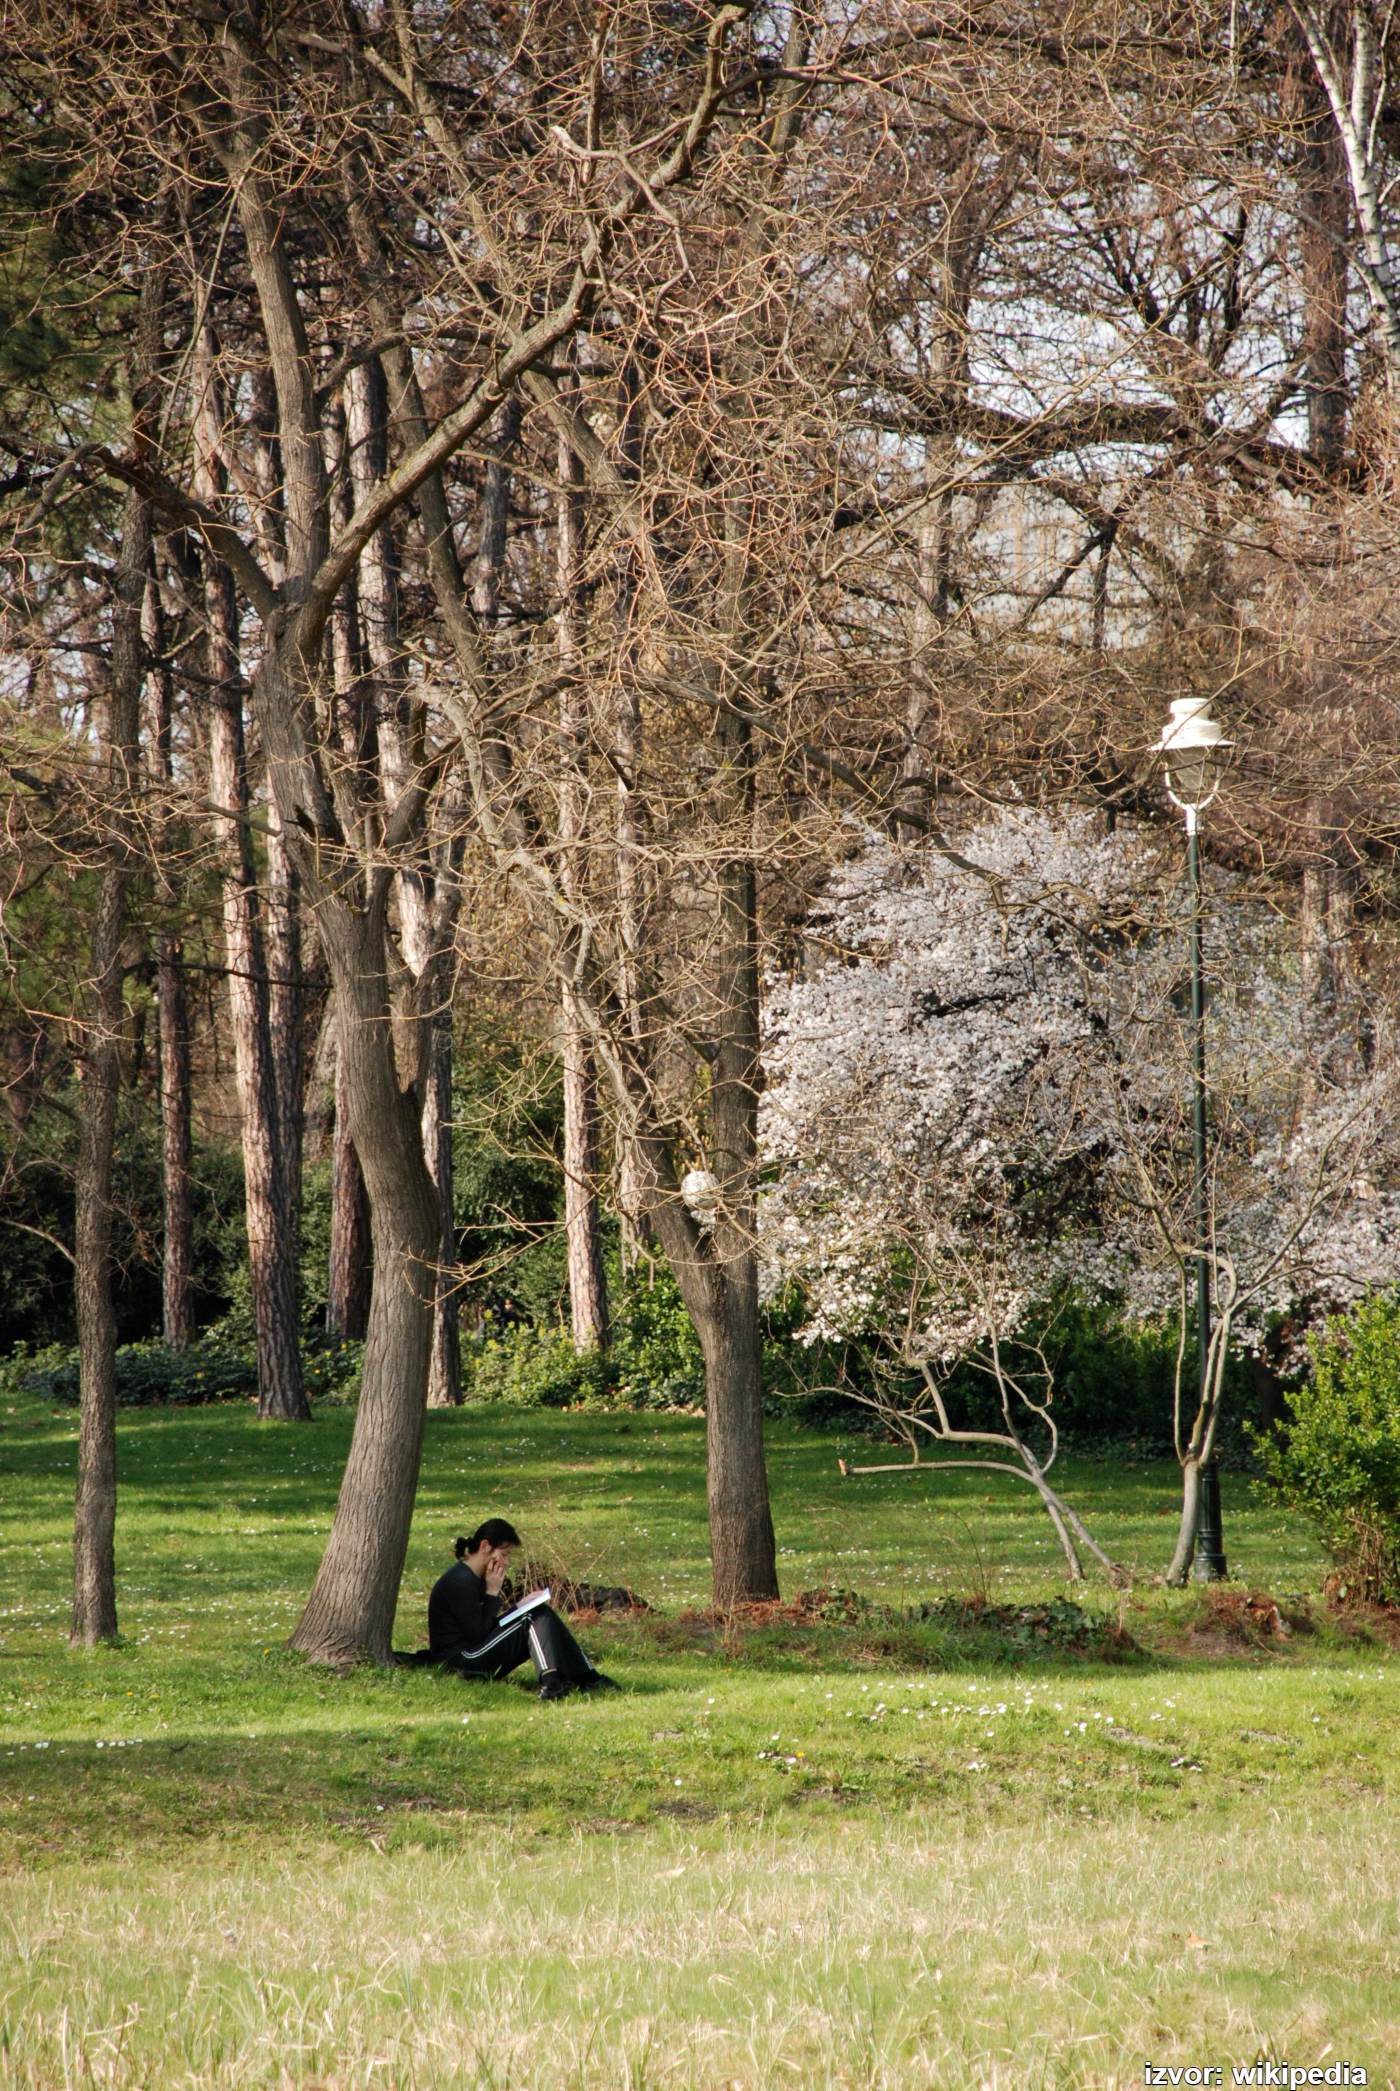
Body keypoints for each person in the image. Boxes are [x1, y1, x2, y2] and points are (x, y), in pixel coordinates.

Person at [427, 1518, 620, 1701]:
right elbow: (478, 1634)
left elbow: (487, 1628)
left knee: (540, 1611)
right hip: (460, 1661)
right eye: (504, 1554)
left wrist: (519, 1606)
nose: (506, 1562)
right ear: (485, 1546)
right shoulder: (460, 1581)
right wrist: (493, 1593)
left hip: (474, 1651)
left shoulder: (474, 1577)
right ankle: (552, 1684)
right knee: (530, 1617)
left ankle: (588, 1678)